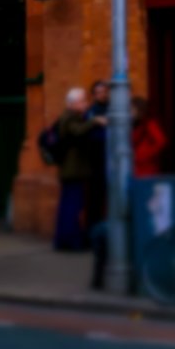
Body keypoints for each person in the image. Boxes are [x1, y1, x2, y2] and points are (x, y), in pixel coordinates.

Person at [50, 88, 105, 252]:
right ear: (72, 104)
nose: (86, 104)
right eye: (82, 101)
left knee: (69, 205)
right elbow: (77, 131)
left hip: (72, 170)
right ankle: (70, 240)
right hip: (73, 170)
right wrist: (95, 121)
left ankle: (64, 240)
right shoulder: (69, 117)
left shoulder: (73, 117)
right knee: (72, 206)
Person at [129, 96, 168, 179]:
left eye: (131, 109)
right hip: (135, 167)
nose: (129, 112)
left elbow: (161, 141)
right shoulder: (133, 124)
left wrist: (144, 155)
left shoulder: (149, 123)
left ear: (139, 110)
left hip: (147, 168)